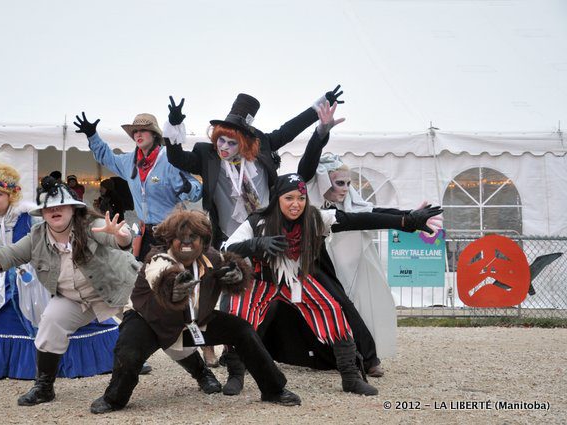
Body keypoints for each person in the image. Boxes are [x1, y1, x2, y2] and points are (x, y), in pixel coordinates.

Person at [223, 173, 443, 395]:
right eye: (289, 198)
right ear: (277, 198)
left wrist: (405, 222)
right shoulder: (258, 221)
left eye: (301, 198)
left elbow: (357, 220)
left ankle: (350, 376)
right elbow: (227, 249)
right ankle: (236, 375)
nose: (295, 204)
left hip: (299, 280)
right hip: (263, 281)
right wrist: (256, 243)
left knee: (333, 310)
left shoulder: (316, 218)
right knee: (239, 314)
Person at [0, 176, 139, 406]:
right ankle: (44, 387)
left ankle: (187, 360)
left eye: (60, 205)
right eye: (49, 208)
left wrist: (121, 236)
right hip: (73, 298)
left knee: (158, 326)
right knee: (50, 323)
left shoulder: (89, 225)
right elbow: (4, 256)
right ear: (43, 214)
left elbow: (116, 239)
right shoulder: (37, 237)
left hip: (115, 287)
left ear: (72, 208)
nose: (55, 210)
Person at [90, 209, 301, 414]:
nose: (187, 243)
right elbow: (159, 276)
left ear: (204, 240)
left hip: (194, 322)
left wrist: (236, 276)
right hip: (149, 322)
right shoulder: (158, 258)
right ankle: (114, 399)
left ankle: (274, 389)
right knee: (128, 353)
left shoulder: (213, 258)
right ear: (169, 239)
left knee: (243, 331)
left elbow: (234, 272)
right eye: (180, 237)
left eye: (194, 237)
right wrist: (173, 287)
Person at [163, 86, 344, 249]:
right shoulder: (207, 155)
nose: (223, 147)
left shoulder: (261, 146)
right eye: (221, 140)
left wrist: (321, 105)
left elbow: (288, 130)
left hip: (269, 230)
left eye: (231, 143)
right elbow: (177, 158)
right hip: (229, 237)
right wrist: (173, 124)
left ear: (244, 144)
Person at [74, 111, 202, 262]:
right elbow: (106, 157)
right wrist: (92, 135)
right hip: (145, 234)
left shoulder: (170, 158)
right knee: (145, 279)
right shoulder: (129, 161)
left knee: (172, 278)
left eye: (143, 130)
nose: (138, 134)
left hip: (173, 232)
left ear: (154, 134)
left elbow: (196, 189)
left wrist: (189, 189)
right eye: (135, 131)